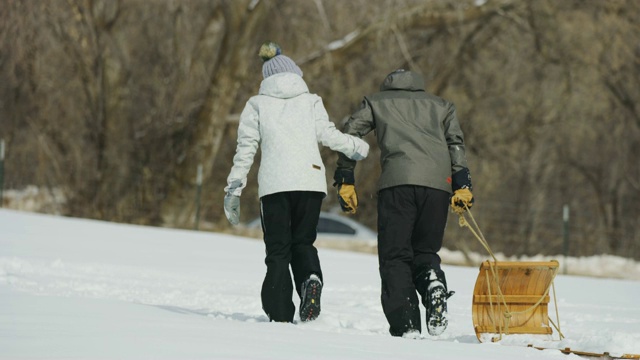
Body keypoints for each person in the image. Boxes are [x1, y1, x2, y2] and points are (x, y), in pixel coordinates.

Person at [223, 42, 369, 324]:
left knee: (278, 250)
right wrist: (356, 147)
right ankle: (310, 277)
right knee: (304, 242)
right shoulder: (311, 100)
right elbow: (328, 134)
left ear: (266, 78)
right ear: (296, 75)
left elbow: (246, 149)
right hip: (310, 183)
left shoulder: (256, 105)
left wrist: (234, 188)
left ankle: (279, 314)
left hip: (275, 187)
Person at [333, 69, 473, 337]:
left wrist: (345, 176)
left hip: (397, 185)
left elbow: (351, 134)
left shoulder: (376, 102)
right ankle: (433, 283)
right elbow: (455, 143)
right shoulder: (442, 106)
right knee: (425, 252)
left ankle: (406, 326)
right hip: (437, 188)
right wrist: (462, 185)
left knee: (395, 256)